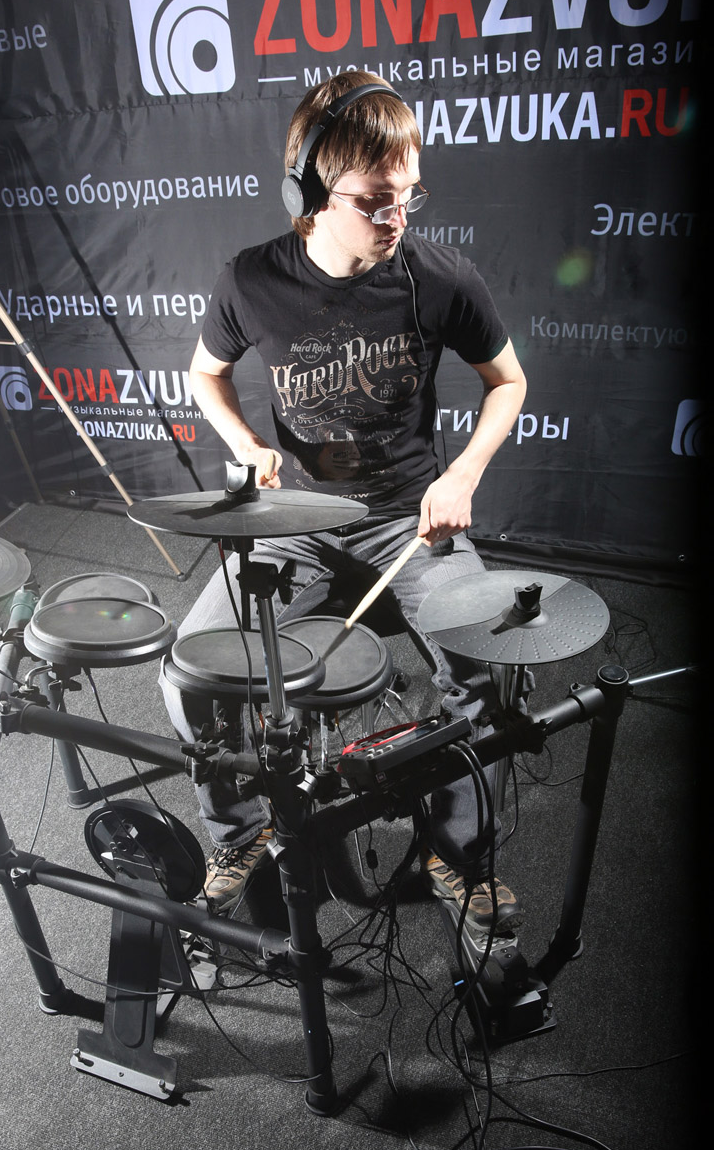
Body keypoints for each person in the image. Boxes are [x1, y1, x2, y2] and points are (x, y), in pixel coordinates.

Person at [161, 71, 528, 933]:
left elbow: (508, 381)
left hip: (406, 518)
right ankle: (239, 834)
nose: (397, 217)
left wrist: (461, 475)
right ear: (309, 193)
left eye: (409, 195)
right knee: (188, 674)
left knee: (480, 669)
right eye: (374, 200)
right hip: (295, 522)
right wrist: (246, 445)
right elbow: (205, 374)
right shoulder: (250, 280)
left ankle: (456, 854)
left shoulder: (439, 276)